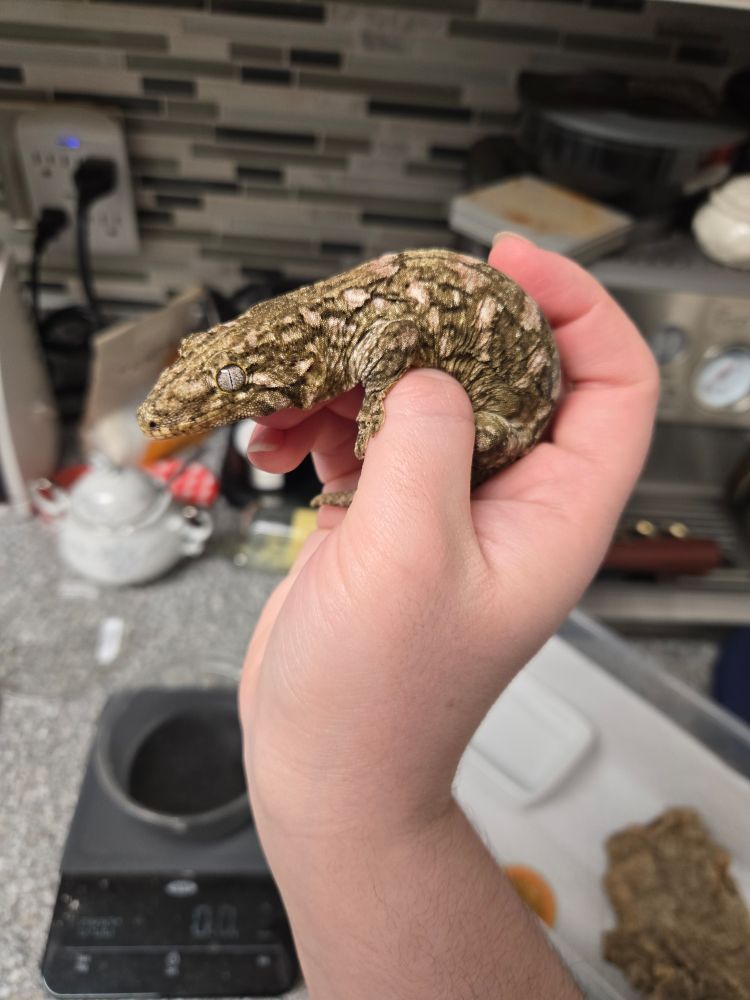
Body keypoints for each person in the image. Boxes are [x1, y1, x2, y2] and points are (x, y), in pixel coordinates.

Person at [239, 233, 659, 999]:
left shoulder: (370, 349)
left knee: (425, 394)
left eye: (240, 378)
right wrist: (332, 790)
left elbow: (398, 346)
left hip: (503, 412)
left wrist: (333, 792)